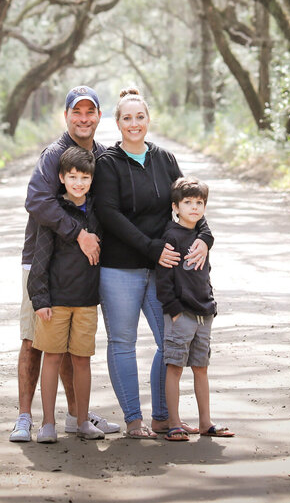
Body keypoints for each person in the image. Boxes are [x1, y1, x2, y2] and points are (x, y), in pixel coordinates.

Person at [92, 87, 212, 439]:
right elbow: (109, 214)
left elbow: (187, 202)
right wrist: (151, 247)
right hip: (120, 268)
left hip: (164, 269)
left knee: (169, 341)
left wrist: (204, 236)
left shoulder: (164, 159)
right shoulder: (107, 164)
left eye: (140, 117)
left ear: (148, 120)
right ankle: (133, 419)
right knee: (122, 343)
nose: (134, 124)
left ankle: (162, 416)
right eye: (127, 118)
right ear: (116, 123)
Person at [10, 86, 119, 443]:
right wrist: (80, 234)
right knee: (34, 339)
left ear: (99, 117)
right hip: (41, 263)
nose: (84, 119)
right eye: (77, 113)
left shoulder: (102, 158)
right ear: (67, 116)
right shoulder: (54, 155)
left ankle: (77, 415)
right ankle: (26, 417)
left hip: (83, 268)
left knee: (75, 346)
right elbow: (37, 201)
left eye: (90, 113)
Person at [28, 146, 106, 443]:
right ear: (61, 178)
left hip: (86, 301)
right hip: (55, 303)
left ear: (91, 180)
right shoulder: (54, 214)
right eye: (72, 177)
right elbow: (40, 259)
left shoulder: (97, 212)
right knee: (52, 358)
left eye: (84, 177)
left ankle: (82, 421)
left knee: (82, 361)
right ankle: (48, 423)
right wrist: (41, 299)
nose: (78, 183)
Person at [156, 176, 234, 441]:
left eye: (199, 203)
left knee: (201, 368)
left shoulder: (202, 238)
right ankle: (174, 422)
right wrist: (175, 310)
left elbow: (204, 273)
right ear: (175, 207)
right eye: (187, 202)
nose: (194, 207)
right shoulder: (171, 236)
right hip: (182, 315)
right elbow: (164, 279)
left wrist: (209, 302)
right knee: (175, 367)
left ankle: (205, 422)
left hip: (204, 313)